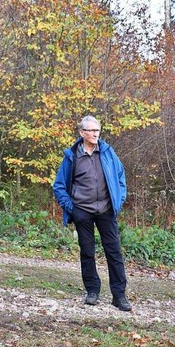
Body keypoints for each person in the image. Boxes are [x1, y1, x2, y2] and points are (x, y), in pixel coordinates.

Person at [53, 116, 132, 311]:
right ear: (82, 133)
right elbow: (59, 185)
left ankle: (119, 296)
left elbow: (120, 178)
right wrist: (71, 208)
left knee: (114, 252)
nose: (96, 134)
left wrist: (118, 201)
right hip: (82, 211)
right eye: (91, 130)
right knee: (87, 252)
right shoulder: (72, 155)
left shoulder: (107, 152)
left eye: (97, 130)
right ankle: (92, 291)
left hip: (106, 210)